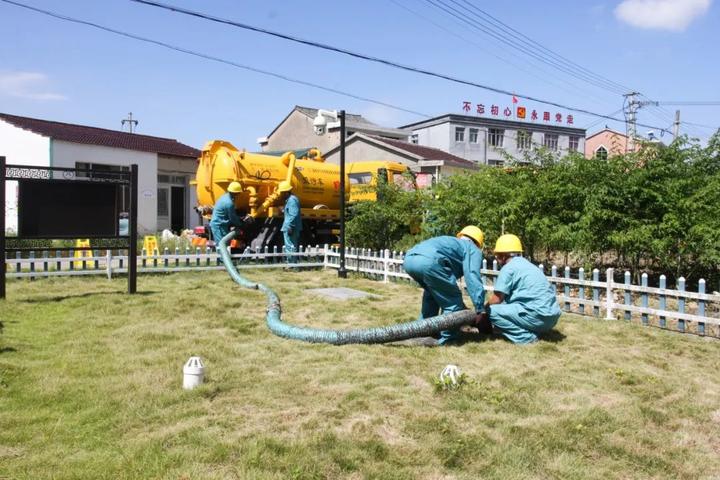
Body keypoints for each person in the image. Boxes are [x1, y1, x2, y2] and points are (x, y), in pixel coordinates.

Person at [402, 226, 486, 346]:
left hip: (409, 260)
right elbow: (472, 276)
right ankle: (448, 340)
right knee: (453, 302)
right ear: (478, 243)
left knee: (432, 296)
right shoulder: (472, 248)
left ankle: (422, 331)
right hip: (429, 263)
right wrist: (480, 309)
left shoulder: (451, 241)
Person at [484, 234, 561, 344]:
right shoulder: (529, 265)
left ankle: (525, 337)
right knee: (506, 306)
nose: (496, 258)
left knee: (491, 311)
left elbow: (497, 299)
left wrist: (482, 311)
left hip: (538, 317)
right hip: (552, 317)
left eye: (497, 255)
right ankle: (534, 329)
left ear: (503, 256)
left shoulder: (508, 268)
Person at [279, 181, 302, 264]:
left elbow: (293, 214)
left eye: (281, 192)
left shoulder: (292, 200)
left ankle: (291, 264)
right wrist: (283, 210)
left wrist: (290, 226)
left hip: (290, 227)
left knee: (290, 246)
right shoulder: (289, 200)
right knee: (290, 245)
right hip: (289, 226)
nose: (280, 194)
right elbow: (290, 212)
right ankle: (292, 263)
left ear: (285, 192)